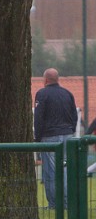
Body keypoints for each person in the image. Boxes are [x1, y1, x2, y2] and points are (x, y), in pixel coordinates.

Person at [33, 68, 77, 209]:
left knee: (51, 172)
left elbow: (38, 118)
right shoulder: (68, 94)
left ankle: (54, 204)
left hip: (50, 137)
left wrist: (37, 138)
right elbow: (74, 116)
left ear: (45, 80)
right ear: (57, 79)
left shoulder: (42, 94)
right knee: (65, 169)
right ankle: (67, 202)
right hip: (67, 136)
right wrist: (71, 131)